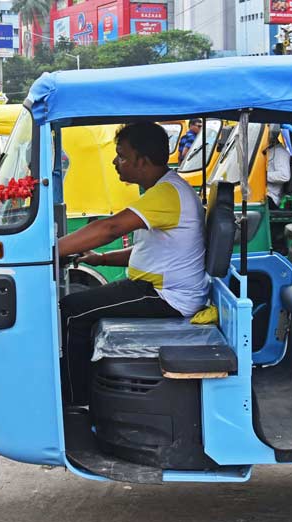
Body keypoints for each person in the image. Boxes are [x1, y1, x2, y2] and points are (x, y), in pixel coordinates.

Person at [57, 122, 209, 404]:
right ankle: (88, 387)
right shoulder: (162, 190)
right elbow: (150, 251)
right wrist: (100, 259)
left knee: (70, 311)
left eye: (122, 156)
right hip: (158, 290)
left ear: (143, 160)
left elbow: (110, 228)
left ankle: (74, 403)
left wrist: (47, 250)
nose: (116, 162)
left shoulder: (167, 193)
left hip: (167, 297)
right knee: (83, 308)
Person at [265, 125, 292, 209]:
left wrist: (263, 176)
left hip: (270, 197)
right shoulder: (267, 150)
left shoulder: (280, 153)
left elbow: (284, 176)